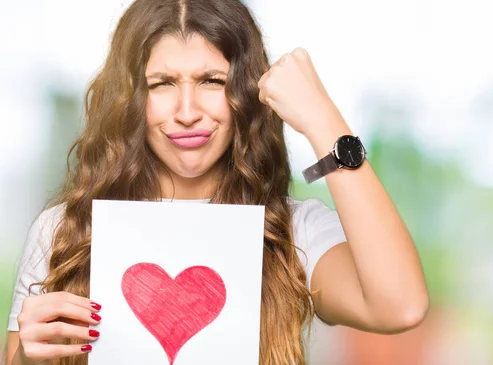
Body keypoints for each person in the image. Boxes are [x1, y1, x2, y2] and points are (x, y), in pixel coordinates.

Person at [4, 0, 428, 364]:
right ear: (131, 99)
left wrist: (323, 119)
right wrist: (28, 354)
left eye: (212, 81)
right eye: (162, 83)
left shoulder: (291, 232)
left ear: (245, 92)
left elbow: (402, 306)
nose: (187, 111)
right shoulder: (66, 231)